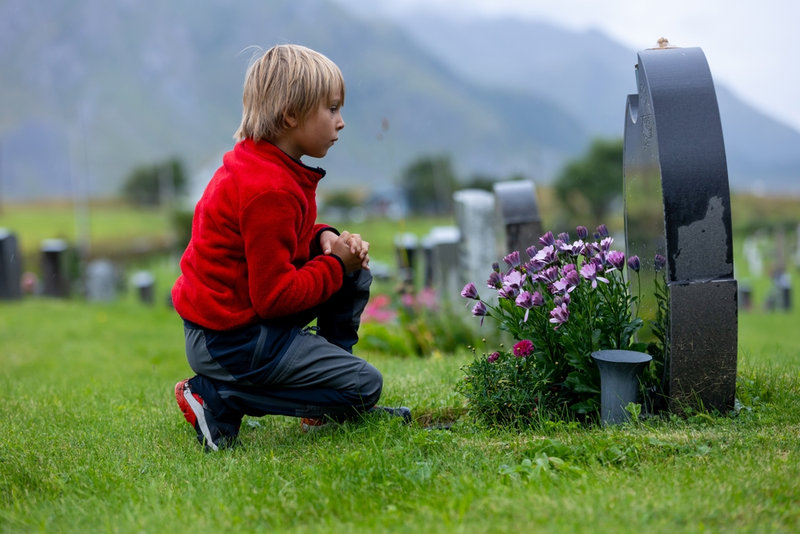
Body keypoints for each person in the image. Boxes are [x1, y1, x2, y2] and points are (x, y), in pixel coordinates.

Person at [172, 44, 409, 451]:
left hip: (232, 324)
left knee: (354, 272)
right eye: (331, 109)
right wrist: (335, 263)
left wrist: (323, 239)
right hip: (229, 339)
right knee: (365, 385)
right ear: (291, 116)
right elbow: (275, 298)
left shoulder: (266, 165)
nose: (341, 122)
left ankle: (324, 407)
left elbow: (279, 238)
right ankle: (217, 398)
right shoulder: (268, 188)